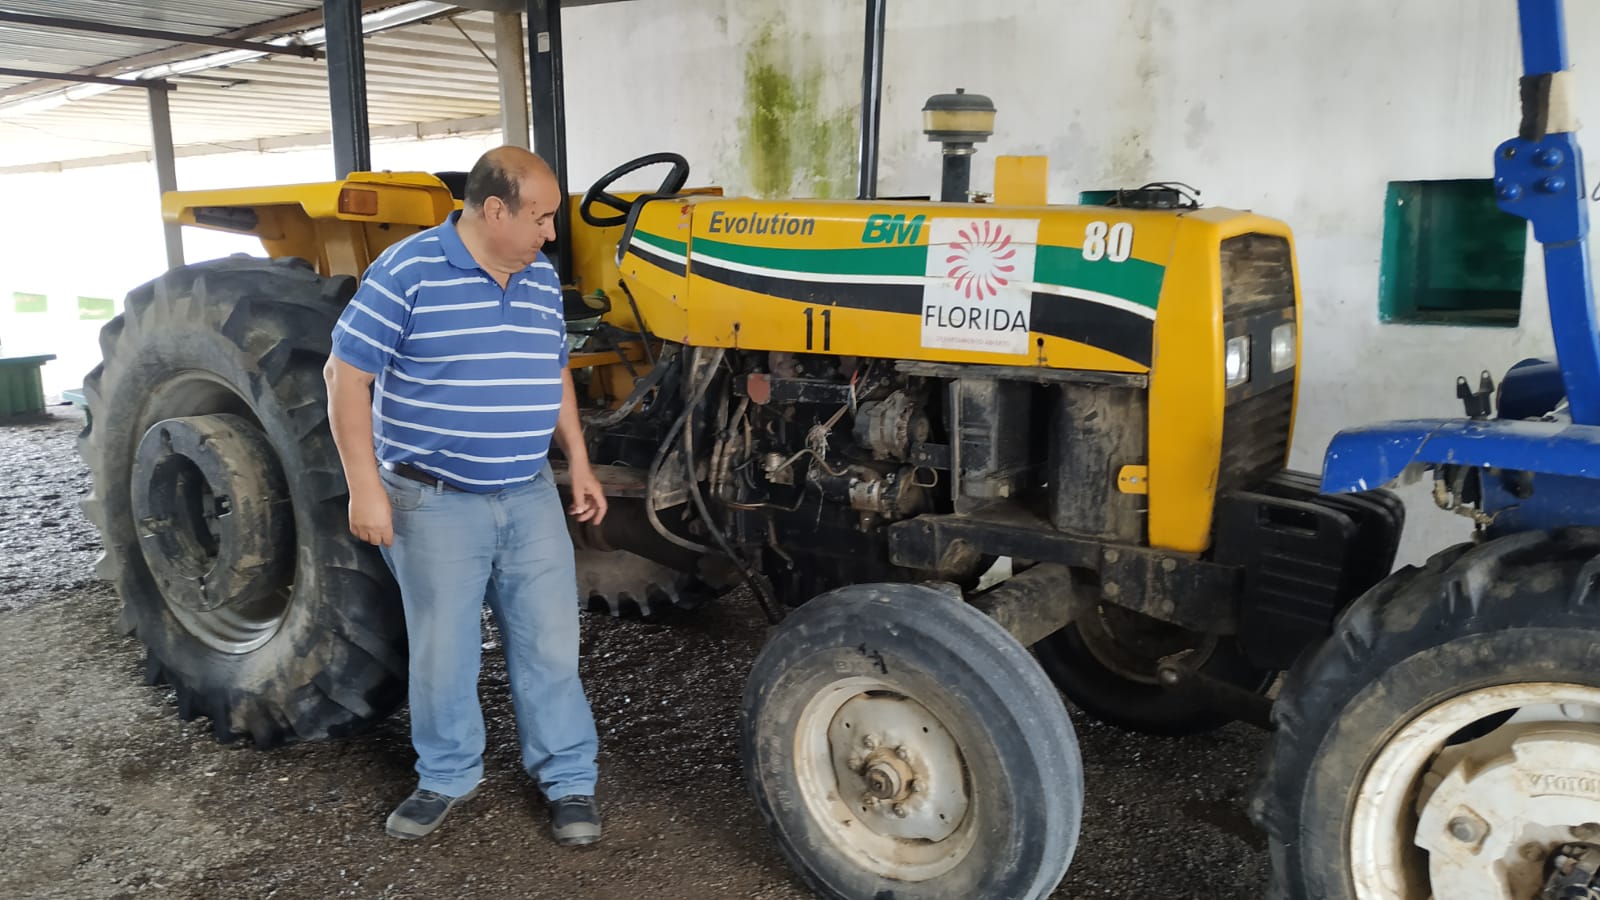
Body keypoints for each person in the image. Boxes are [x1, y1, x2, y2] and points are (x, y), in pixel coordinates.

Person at [323, 146, 608, 845]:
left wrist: (579, 461)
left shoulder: (539, 277)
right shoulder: (407, 271)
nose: (550, 233)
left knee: (550, 645)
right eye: (541, 217)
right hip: (434, 500)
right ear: (494, 210)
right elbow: (345, 377)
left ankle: (569, 779)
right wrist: (365, 489)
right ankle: (447, 775)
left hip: (529, 493)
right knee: (445, 653)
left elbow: (554, 372)